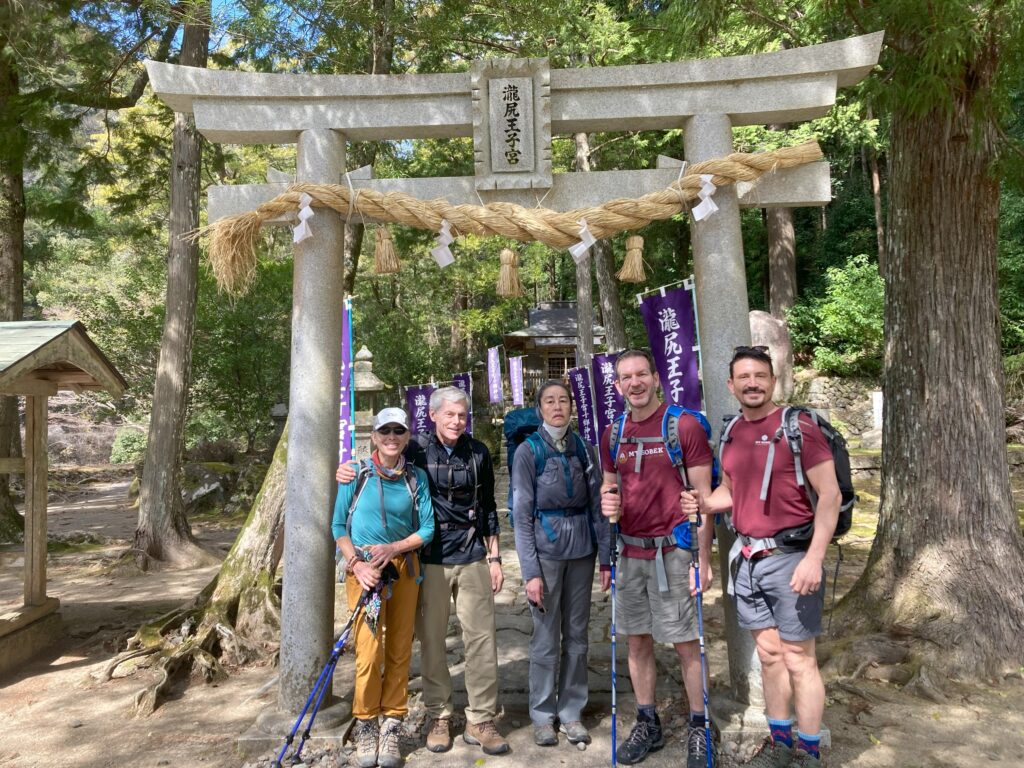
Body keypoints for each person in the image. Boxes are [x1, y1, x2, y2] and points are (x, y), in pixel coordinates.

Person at [681, 346, 841, 768]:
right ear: (731, 385)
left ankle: (809, 751)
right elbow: (729, 494)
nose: (752, 383)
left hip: (792, 558)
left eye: (760, 376)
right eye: (743, 377)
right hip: (747, 559)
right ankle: (780, 742)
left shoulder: (798, 427)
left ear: (773, 381)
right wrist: (700, 503)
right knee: (769, 656)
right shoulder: (732, 431)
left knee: (799, 658)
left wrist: (814, 558)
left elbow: (830, 495)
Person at [337, 386, 508, 756]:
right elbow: (383, 453)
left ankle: (481, 717)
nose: (456, 421)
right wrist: (346, 468)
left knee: (481, 638)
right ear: (432, 416)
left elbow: (489, 506)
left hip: (472, 552)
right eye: (449, 414)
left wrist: (495, 558)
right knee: (431, 641)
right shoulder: (416, 450)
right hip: (429, 558)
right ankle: (439, 715)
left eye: (462, 415)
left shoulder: (478, 452)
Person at [598, 349, 717, 768]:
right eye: (626, 377)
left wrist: (703, 560)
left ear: (655, 377)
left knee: (686, 644)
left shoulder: (682, 425)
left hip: (674, 551)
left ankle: (701, 726)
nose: (635, 382)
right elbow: (609, 491)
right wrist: (607, 533)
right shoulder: (613, 433)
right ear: (617, 385)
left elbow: (702, 501)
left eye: (641, 374)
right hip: (629, 551)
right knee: (636, 641)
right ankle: (647, 721)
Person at [510, 380, 611, 748]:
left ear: (571, 406)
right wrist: (530, 573)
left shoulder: (583, 446)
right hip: (546, 551)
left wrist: (605, 557)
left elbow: (599, 503)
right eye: (549, 401)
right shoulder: (528, 450)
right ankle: (541, 714)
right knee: (545, 637)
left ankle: (571, 711)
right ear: (539, 409)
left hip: (582, 550)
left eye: (563, 400)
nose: (557, 406)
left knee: (578, 636)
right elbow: (521, 514)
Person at [332, 407, 435, 768]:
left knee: (400, 647)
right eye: (385, 431)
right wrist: (357, 565)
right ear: (374, 436)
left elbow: (426, 529)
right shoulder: (355, 475)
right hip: (364, 575)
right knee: (368, 649)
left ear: (407, 437)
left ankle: (392, 721)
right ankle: (365, 723)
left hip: (403, 570)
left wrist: (394, 548)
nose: (392, 437)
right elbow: (337, 528)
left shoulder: (416, 477)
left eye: (398, 431)